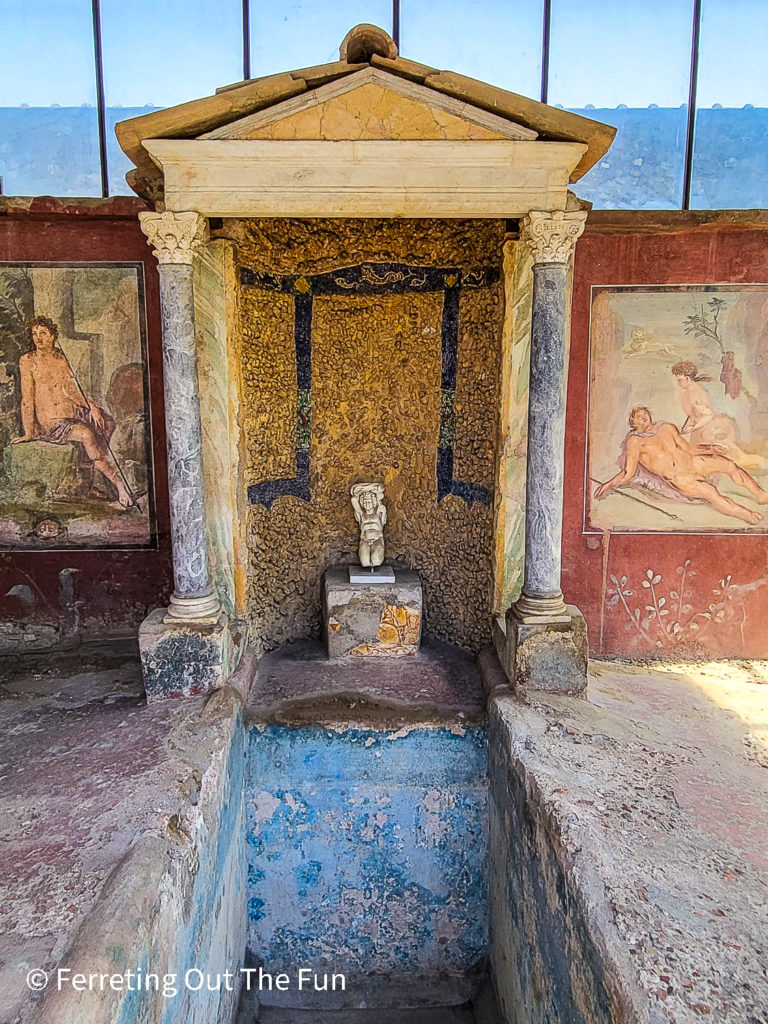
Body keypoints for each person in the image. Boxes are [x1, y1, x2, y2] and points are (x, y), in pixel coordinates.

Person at [11, 316, 133, 508]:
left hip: (73, 411)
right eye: (35, 334)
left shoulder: (60, 357)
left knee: (106, 421)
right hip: (53, 423)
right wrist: (29, 432)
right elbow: (27, 399)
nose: (38, 338)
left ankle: (92, 480)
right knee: (87, 434)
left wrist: (91, 407)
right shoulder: (28, 360)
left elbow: (72, 390)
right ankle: (119, 485)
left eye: (43, 333)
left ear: (53, 335)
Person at [595, 405, 768, 526]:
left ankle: (760, 494)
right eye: (639, 416)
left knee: (730, 466)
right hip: (680, 478)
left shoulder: (666, 427)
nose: (644, 416)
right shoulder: (634, 442)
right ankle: (747, 515)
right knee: (711, 493)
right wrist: (608, 484)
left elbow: (688, 448)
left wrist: (711, 448)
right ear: (634, 423)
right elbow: (628, 472)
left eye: (645, 413)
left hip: (693, 463)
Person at [671, 360, 766, 474]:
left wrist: (692, 428)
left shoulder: (695, 393)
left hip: (708, 431)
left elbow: (708, 415)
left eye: (680, 380)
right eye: (678, 380)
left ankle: (763, 463)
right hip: (698, 431)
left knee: (734, 459)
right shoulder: (686, 392)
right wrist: (685, 427)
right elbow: (692, 415)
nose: (679, 383)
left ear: (688, 378)